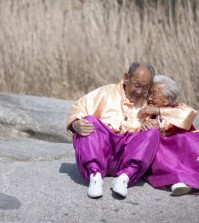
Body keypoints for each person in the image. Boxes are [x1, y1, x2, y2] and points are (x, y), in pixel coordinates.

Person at [66, 63, 195, 198]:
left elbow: (185, 113)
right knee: (89, 121)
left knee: (152, 133)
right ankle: (95, 176)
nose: (140, 91)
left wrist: (156, 114)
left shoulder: (149, 100)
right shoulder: (106, 92)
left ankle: (124, 177)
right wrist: (75, 124)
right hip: (101, 152)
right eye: (137, 85)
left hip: (127, 158)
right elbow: (78, 108)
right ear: (126, 78)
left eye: (145, 87)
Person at [138, 75, 199, 196]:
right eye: (149, 94)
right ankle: (180, 180)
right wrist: (144, 125)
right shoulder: (146, 113)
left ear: (167, 99)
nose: (149, 98)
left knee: (184, 139)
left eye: (154, 95)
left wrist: (158, 111)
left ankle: (186, 181)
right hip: (168, 157)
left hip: (185, 151)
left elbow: (189, 114)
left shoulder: (178, 109)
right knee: (158, 149)